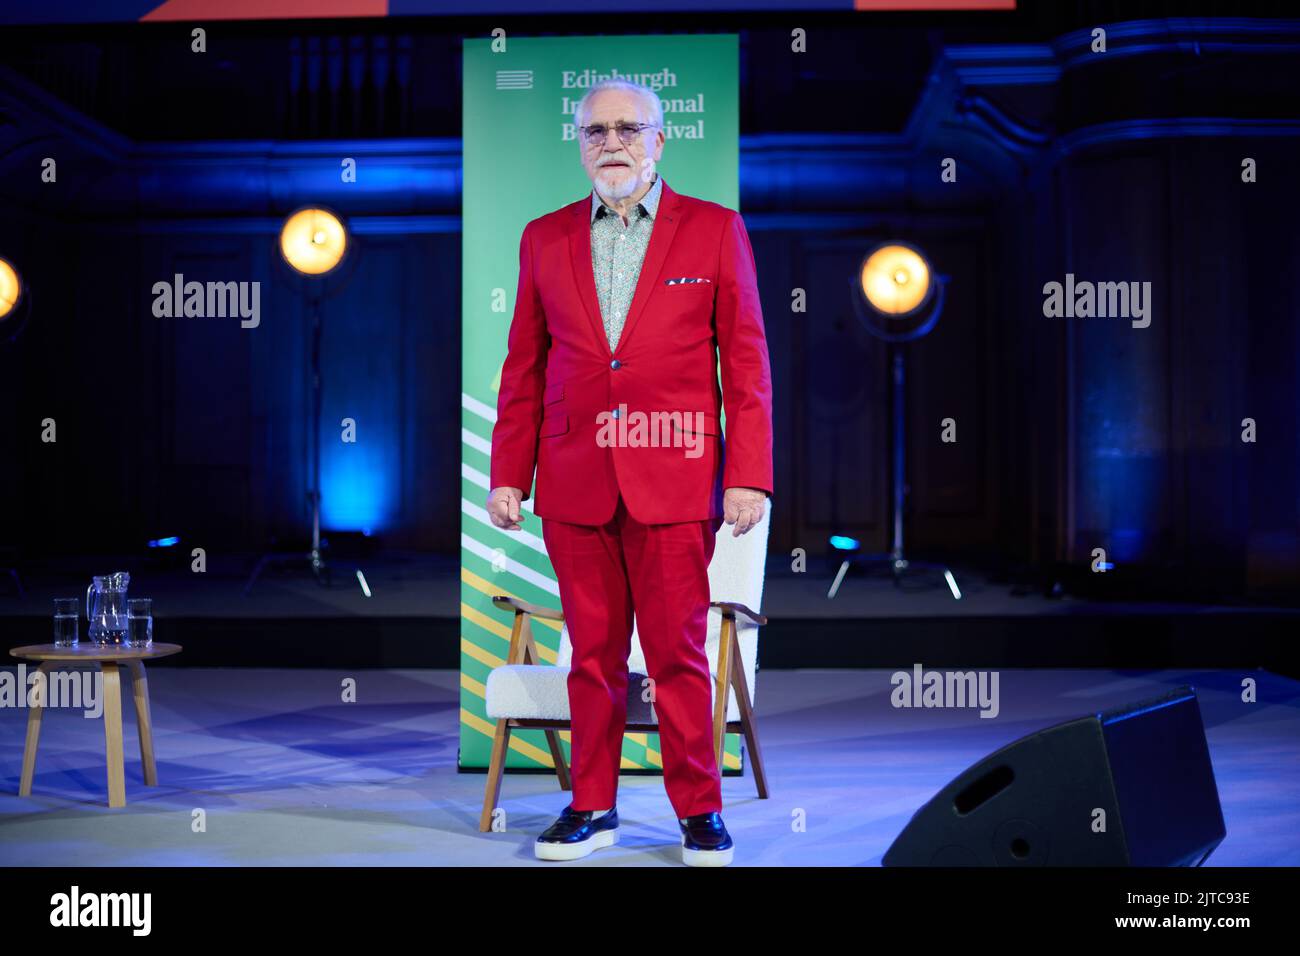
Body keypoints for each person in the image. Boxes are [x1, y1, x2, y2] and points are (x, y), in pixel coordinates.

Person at [485, 77, 773, 867]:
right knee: (592, 656)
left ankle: (699, 812)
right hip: (575, 481)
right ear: (579, 143)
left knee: (677, 656)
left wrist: (748, 474)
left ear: (659, 139)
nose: (611, 142)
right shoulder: (543, 237)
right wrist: (509, 472)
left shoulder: (715, 230)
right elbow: (524, 366)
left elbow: (746, 362)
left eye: (627, 129)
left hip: (677, 478)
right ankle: (592, 806)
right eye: (595, 131)